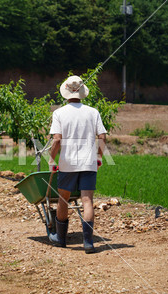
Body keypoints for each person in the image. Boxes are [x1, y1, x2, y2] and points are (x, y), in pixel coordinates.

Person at [48, 75, 107, 254]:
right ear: (82, 92)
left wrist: (52, 159)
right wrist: (99, 157)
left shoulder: (59, 113)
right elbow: (102, 137)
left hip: (68, 164)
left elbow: (57, 140)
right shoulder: (93, 112)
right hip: (89, 163)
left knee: (63, 199)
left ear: (66, 93)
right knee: (87, 200)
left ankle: (60, 238)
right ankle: (88, 243)